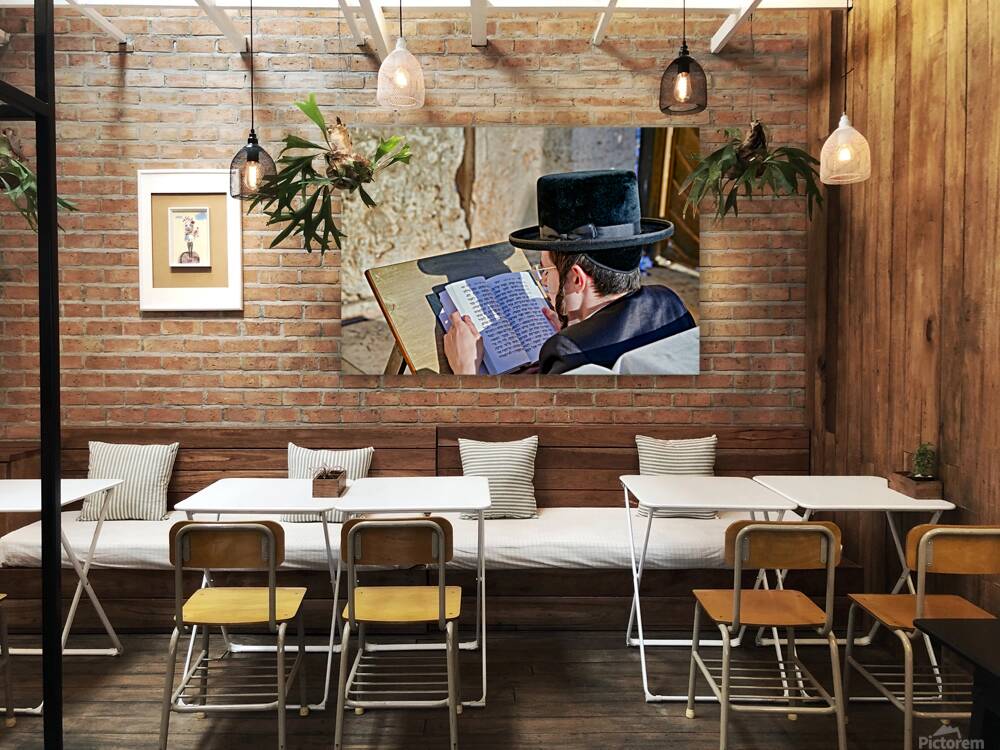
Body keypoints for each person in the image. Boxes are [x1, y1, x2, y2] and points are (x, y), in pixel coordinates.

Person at [444, 169, 696, 375]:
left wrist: (466, 371)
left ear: (576, 278)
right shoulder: (670, 303)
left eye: (545, 270)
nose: (543, 280)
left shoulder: (566, 352)